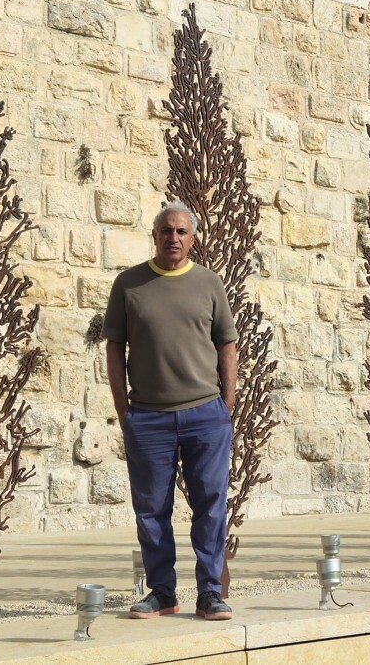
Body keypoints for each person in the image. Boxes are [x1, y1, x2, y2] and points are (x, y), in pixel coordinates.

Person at [103, 201, 239, 621]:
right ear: (155, 235)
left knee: (211, 506)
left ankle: (210, 594)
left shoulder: (209, 282)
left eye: (182, 232)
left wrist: (226, 404)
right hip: (148, 418)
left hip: (205, 415)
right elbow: (113, 346)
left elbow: (227, 345)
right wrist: (123, 407)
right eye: (166, 231)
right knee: (151, 511)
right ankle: (161, 593)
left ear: (193, 238)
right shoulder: (129, 285)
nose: (174, 238)